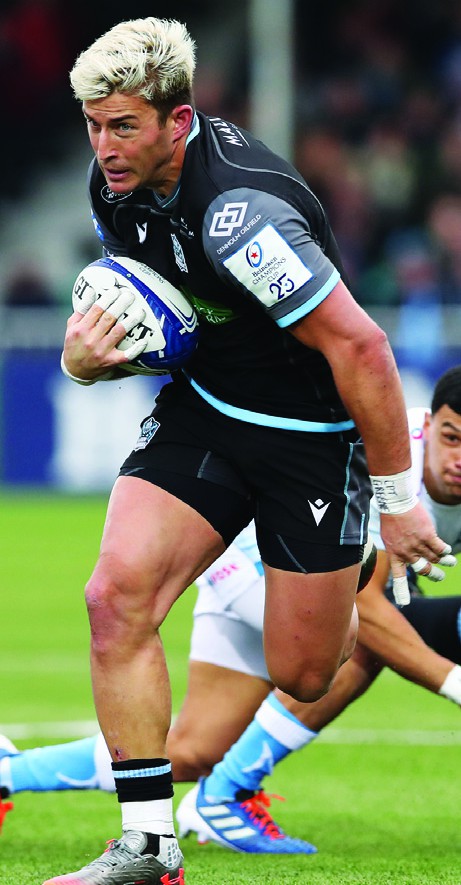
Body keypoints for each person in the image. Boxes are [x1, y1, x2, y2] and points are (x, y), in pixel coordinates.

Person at [45, 16, 454, 885]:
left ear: (177, 121)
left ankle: (348, 581)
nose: (105, 146)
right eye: (93, 124)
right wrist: (86, 361)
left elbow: (362, 349)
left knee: (304, 671)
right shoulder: (114, 185)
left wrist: (395, 503)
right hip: (208, 410)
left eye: (123, 126)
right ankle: (148, 846)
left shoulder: (242, 216)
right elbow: (165, 319)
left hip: (309, 439)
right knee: (114, 596)